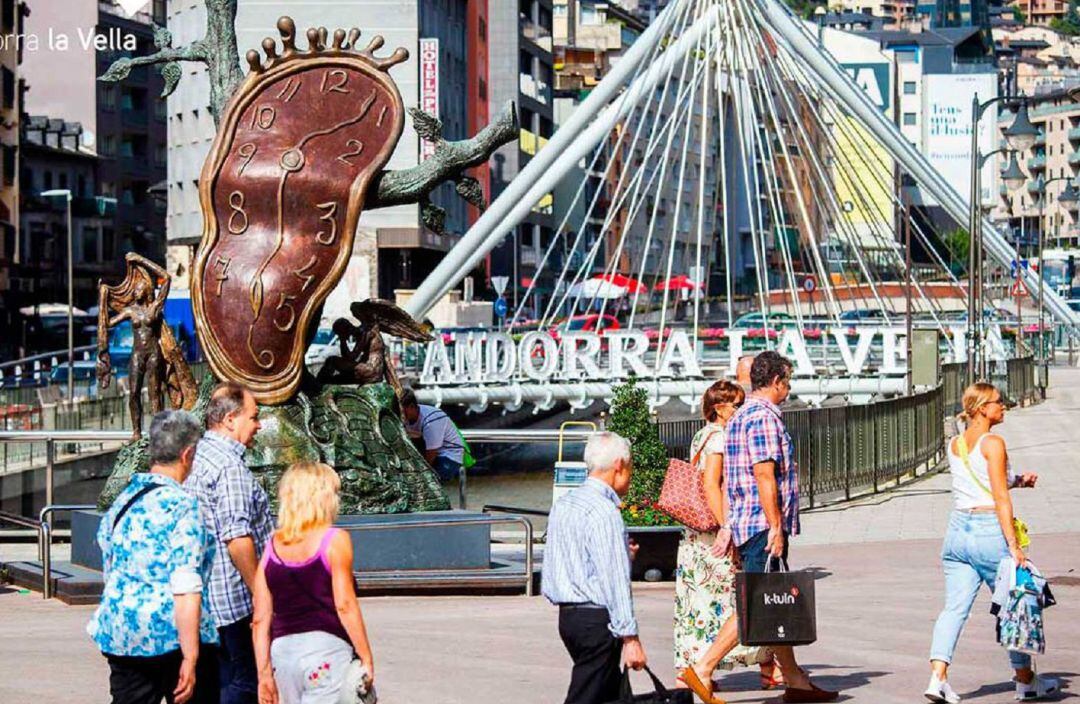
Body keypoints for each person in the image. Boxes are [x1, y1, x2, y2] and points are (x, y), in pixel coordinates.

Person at [925, 382, 1057, 703]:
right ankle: (1025, 681)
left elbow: (983, 479)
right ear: (983, 408)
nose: (1004, 407)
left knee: (954, 608)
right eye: (999, 402)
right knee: (1014, 606)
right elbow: (999, 496)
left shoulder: (956, 443)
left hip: (957, 532)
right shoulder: (994, 443)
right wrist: (1014, 545)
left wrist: (1019, 481)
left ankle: (937, 678)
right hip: (988, 532)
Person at [725, 352, 838, 704]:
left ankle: (794, 680)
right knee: (758, 604)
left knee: (774, 604)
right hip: (761, 525)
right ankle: (701, 667)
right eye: (787, 381)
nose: (788, 388)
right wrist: (776, 526)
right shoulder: (763, 418)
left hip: (751, 522)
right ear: (776, 382)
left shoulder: (744, 414)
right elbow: (763, 474)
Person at [88, 410, 219, 704]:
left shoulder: (122, 503)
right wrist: (191, 655)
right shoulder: (183, 507)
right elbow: (186, 585)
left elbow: (111, 567)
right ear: (188, 454)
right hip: (170, 633)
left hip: (121, 631)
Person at [674, 381, 776, 704]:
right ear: (719, 409)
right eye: (735, 405)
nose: (739, 410)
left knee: (697, 603)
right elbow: (711, 486)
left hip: (693, 535)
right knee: (728, 602)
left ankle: (695, 669)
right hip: (711, 535)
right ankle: (708, 668)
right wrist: (726, 527)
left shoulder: (699, 436)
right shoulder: (719, 438)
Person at [252, 463, 375, 704]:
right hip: (325, 648)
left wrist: (263, 674)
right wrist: (365, 656)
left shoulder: (271, 547)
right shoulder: (335, 540)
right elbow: (345, 605)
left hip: (282, 652)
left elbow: (260, 619)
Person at [542, 432, 647, 704]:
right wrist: (630, 636)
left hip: (570, 617)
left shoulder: (565, 504)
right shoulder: (604, 511)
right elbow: (614, 579)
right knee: (586, 695)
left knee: (607, 693)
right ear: (619, 465)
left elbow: (565, 560)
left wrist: (623, 556)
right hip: (597, 620)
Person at [186, 383, 274, 704]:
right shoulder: (229, 468)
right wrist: (260, 592)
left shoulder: (197, 457)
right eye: (253, 417)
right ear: (230, 420)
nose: (259, 424)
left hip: (201, 601)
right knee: (240, 685)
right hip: (232, 605)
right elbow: (237, 538)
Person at [400, 388, 467, 482]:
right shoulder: (407, 418)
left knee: (424, 482)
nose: (401, 415)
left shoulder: (431, 421)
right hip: (429, 453)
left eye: (403, 411)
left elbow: (432, 452)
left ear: (411, 406)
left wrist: (420, 473)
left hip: (449, 457)